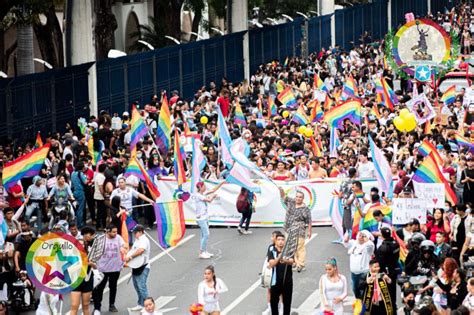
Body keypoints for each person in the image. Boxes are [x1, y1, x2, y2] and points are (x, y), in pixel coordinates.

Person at [92, 224, 127, 314]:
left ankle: (112, 304)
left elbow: (124, 246)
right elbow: (94, 251)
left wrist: (123, 248)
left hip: (115, 268)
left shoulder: (118, 238)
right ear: (107, 231)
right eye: (113, 232)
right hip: (102, 268)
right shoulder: (101, 239)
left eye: (116, 231)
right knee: (100, 288)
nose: (115, 233)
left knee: (113, 286)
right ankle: (97, 307)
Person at [279, 186, 311, 272]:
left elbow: (309, 221)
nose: (298, 198)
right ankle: (294, 262)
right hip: (288, 228)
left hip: (299, 229)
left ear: (303, 199)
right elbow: (283, 196)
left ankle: (301, 264)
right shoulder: (291, 202)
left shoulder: (305, 209)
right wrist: (281, 190)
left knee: (300, 246)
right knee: (290, 246)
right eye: (297, 196)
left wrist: (309, 231)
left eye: (300, 197)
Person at [192, 181, 224, 259]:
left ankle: (204, 251)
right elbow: (209, 200)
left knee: (204, 235)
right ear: (200, 187)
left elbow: (213, 190)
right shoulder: (198, 195)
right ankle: (201, 252)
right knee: (206, 234)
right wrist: (213, 196)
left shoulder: (202, 194)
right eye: (204, 186)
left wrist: (221, 183)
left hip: (205, 217)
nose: (205, 187)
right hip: (201, 218)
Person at [70, 227, 97, 315]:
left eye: (82, 244)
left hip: (87, 279)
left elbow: (96, 266)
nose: (80, 245)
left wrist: (91, 264)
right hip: (76, 280)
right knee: (74, 305)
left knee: (86, 306)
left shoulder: (90, 252)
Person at [125, 225, 151, 312]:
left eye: (135, 233)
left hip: (143, 266)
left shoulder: (144, 240)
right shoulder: (137, 240)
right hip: (136, 266)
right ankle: (140, 304)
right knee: (137, 287)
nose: (134, 234)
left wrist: (130, 257)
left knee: (142, 287)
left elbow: (141, 250)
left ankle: (148, 306)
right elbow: (133, 250)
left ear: (140, 232)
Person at [267, 232, 294, 315]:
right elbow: (271, 264)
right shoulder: (272, 251)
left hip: (287, 281)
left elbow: (292, 261)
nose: (280, 241)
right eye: (278, 240)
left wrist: (285, 260)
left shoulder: (289, 251)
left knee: (287, 303)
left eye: (282, 240)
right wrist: (279, 257)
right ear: (275, 241)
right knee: (274, 303)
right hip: (275, 281)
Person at [375, 227, 400, 312]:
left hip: (385, 273)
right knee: (393, 292)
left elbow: (379, 264)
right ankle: (393, 308)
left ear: (381, 235)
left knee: (385, 294)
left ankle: (388, 310)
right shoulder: (396, 244)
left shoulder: (383, 248)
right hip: (394, 270)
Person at [345, 230, 375, 299]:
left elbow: (370, 246)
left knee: (364, 289)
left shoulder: (368, 246)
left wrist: (366, 240)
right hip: (354, 273)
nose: (360, 237)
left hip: (364, 273)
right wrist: (346, 240)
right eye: (359, 235)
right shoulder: (354, 243)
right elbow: (346, 243)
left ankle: (364, 303)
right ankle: (359, 301)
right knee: (355, 289)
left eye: (363, 236)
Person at [71, 161, 88, 228]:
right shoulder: (80, 173)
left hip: (74, 192)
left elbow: (72, 184)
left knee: (75, 208)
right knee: (80, 209)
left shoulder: (72, 173)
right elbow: (85, 182)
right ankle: (79, 224)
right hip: (81, 192)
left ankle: (74, 223)